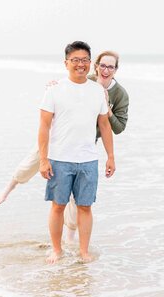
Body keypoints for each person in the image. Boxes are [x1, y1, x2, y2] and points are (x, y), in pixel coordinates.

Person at [0, 51, 129, 242]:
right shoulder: (86, 80)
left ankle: (70, 237)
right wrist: (53, 85)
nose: (106, 70)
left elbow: (118, 127)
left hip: (84, 147)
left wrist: (107, 108)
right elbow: (67, 84)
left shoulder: (120, 94)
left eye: (111, 67)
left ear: (116, 70)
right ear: (96, 66)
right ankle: (10, 186)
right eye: (103, 65)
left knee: (79, 200)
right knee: (31, 163)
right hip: (58, 138)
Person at [39, 41, 115, 264]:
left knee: (85, 207)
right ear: (66, 63)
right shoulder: (54, 90)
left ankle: (84, 252)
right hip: (60, 159)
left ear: (90, 63)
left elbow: (105, 126)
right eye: (75, 60)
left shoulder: (97, 92)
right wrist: (43, 160)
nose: (80, 64)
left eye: (84, 60)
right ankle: (56, 250)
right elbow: (43, 126)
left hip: (88, 160)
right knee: (58, 206)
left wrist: (111, 156)